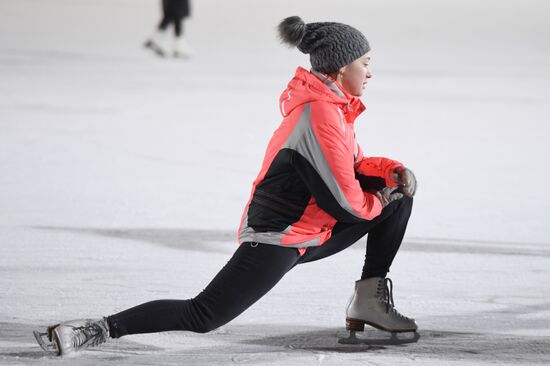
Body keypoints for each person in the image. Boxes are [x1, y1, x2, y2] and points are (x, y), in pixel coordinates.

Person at [36, 16, 419, 356]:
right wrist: (379, 199)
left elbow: (349, 168)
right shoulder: (319, 113)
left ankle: (368, 299)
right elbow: (344, 202)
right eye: (365, 63)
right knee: (203, 314)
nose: (369, 73)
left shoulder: (333, 107)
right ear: (340, 68)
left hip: (311, 230)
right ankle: (93, 329)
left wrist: (390, 172)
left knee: (398, 197)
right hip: (280, 236)